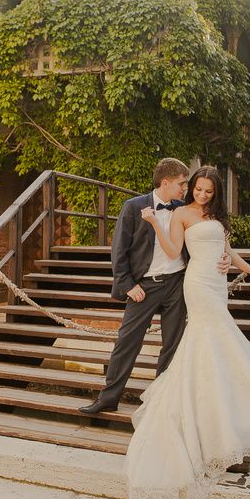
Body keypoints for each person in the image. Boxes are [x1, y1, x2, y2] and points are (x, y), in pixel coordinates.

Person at [123, 165, 250, 499]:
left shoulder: (215, 217)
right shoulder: (181, 213)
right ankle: (205, 422)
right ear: (191, 190)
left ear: (215, 193)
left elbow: (227, 252)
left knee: (218, 345)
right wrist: (155, 223)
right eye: (197, 189)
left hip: (218, 286)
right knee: (214, 339)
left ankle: (224, 418)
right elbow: (173, 252)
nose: (201, 195)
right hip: (198, 283)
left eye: (207, 191)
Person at [79, 158, 228, 416]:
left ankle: (160, 400)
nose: (186, 188)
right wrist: (128, 285)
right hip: (144, 286)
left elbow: (206, 237)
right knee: (127, 342)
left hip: (178, 284)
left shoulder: (186, 208)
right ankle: (108, 398)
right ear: (166, 183)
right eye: (182, 184)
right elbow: (119, 250)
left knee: (172, 345)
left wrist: (222, 258)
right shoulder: (133, 207)